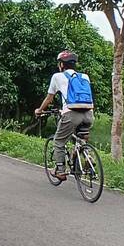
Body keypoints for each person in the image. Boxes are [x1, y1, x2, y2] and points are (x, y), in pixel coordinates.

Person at [34, 51, 94, 181]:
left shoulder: (57, 76)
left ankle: (60, 170)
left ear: (61, 64)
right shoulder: (85, 76)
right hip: (88, 114)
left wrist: (39, 110)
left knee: (59, 141)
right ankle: (88, 157)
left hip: (72, 115)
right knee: (81, 139)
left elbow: (49, 98)